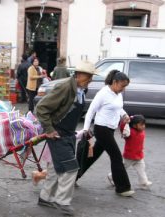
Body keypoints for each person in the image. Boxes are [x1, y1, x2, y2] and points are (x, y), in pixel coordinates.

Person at [35, 60, 97, 216]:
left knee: (56, 168)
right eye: (88, 76)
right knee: (71, 168)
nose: (90, 79)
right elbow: (41, 108)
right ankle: (62, 201)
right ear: (79, 74)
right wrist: (49, 130)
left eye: (91, 76)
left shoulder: (81, 89)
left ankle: (45, 197)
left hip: (68, 134)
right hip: (58, 134)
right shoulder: (65, 87)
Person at [79, 69, 134, 197]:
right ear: (115, 82)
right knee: (116, 156)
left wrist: (124, 114)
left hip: (109, 129)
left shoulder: (117, 94)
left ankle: (73, 176)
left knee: (92, 156)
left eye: (125, 87)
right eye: (122, 86)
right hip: (101, 129)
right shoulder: (103, 93)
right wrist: (86, 129)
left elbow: (118, 107)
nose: (123, 89)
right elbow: (91, 112)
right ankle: (123, 188)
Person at [107, 115, 152, 189]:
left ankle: (144, 182)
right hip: (129, 157)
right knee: (122, 168)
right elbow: (123, 129)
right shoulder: (129, 132)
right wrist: (125, 122)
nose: (144, 126)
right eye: (141, 125)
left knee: (142, 169)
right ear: (134, 125)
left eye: (144, 124)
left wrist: (132, 118)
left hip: (139, 156)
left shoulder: (141, 131)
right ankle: (111, 176)